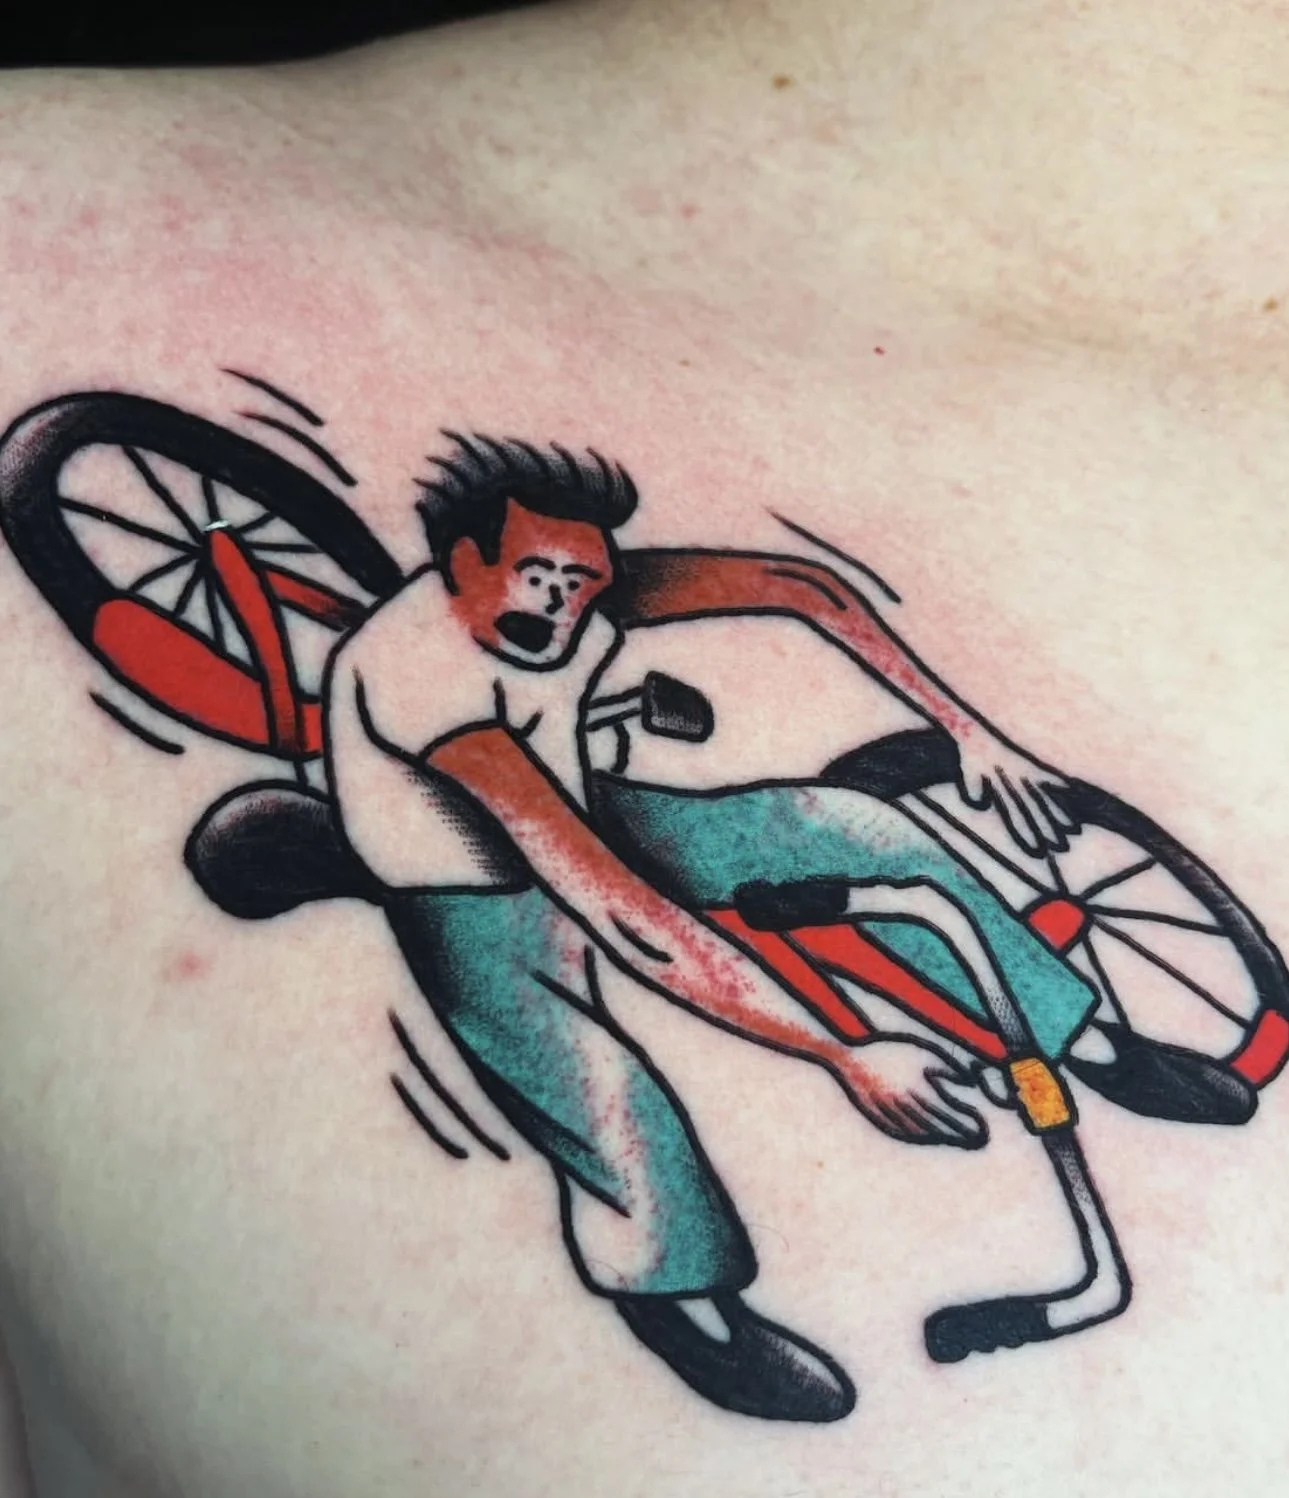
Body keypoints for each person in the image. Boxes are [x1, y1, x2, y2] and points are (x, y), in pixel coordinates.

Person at [2, 1, 1288, 1493]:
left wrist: (967, 728)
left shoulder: (582, 593)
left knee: (874, 834)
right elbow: (625, 917)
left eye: (584, 580)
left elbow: (801, 591)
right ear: (461, 564)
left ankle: (1086, 1035)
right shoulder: (442, 698)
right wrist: (841, 1050)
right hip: (482, 878)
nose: (565, 604)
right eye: (536, 582)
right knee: (600, 1091)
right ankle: (683, 1299)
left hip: (594, 802)